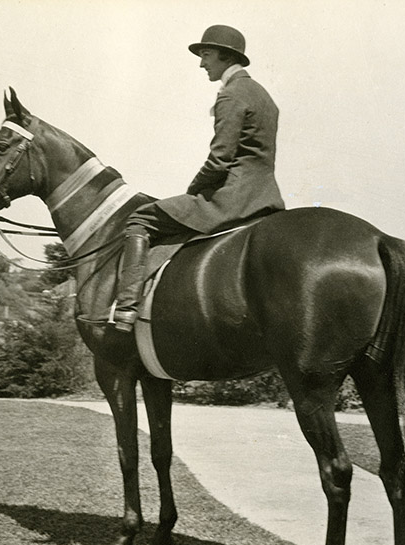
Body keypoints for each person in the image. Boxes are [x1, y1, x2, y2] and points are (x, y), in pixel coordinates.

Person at [110, 24, 285, 332]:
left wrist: (192, 192)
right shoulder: (263, 95)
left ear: (225, 56)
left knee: (139, 219)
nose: (202, 63)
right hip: (266, 197)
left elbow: (219, 161)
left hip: (232, 199)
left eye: (206, 55)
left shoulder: (231, 95)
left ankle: (126, 308)